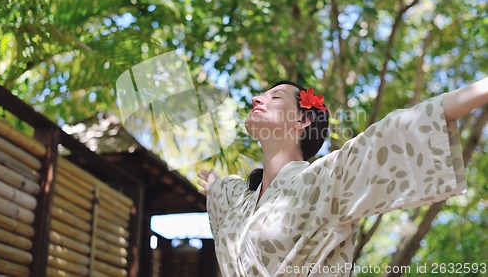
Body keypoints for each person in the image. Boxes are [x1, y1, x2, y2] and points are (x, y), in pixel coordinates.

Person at [197, 77, 488, 277]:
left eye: (275, 96)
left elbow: (390, 133)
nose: (257, 98)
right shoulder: (237, 199)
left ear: (303, 119)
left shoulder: (324, 181)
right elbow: (220, 191)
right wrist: (211, 184)